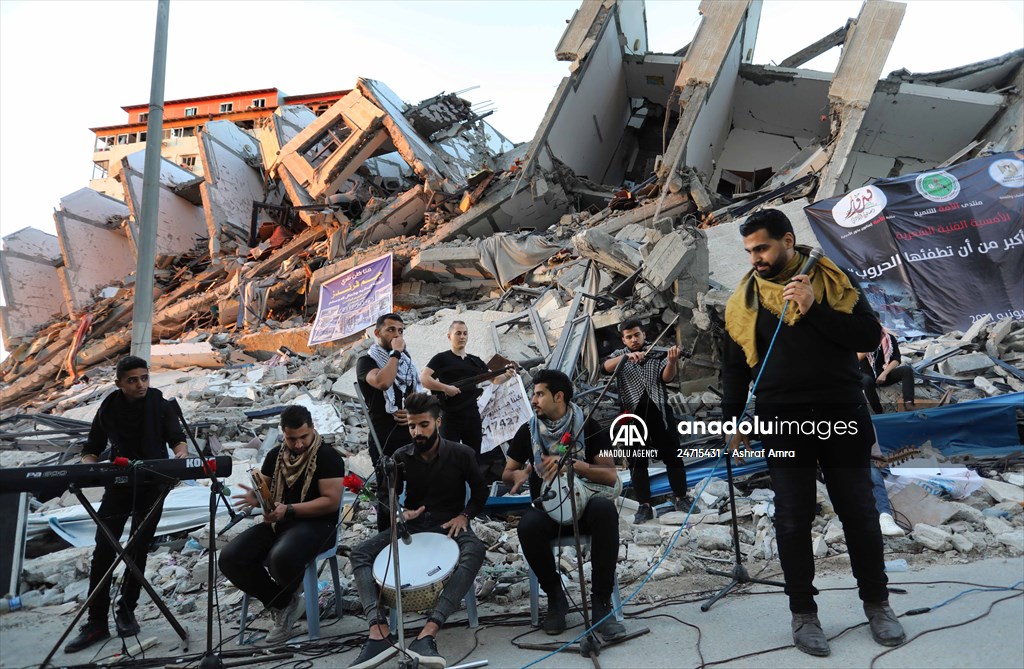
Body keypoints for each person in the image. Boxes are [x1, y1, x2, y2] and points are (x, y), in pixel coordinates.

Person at [721, 208, 905, 656]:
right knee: (792, 515)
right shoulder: (742, 302)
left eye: (762, 247)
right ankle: (803, 614)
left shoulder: (832, 281)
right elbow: (733, 370)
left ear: (787, 240)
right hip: (782, 421)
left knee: (858, 511)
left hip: (842, 413)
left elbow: (867, 336)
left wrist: (813, 307)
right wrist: (733, 423)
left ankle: (877, 604)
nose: (755, 259)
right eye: (749, 251)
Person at [348, 392, 486, 669]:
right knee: (359, 553)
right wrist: (399, 512)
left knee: (476, 550)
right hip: (412, 527)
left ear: (438, 421)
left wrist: (465, 515)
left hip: (449, 525)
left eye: (423, 424)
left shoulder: (462, 454)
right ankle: (378, 632)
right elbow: (387, 497)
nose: (417, 431)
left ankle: (427, 634)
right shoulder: (400, 457)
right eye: (412, 426)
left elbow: (480, 491)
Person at [65, 356, 189, 654]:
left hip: (152, 482)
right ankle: (96, 621)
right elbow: (92, 447)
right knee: (103, 549)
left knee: (139, 547)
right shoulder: (109, 407)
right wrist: (89, 469)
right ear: (118, 383)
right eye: (132, 380)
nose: (140, 384)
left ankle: (127, 610)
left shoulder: (160, 404)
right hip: (118, 483)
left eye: (144, 378)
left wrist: (181, 461)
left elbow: (177, 439)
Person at [502, 369, 626, 641]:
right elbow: (507, 472)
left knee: (605, 512)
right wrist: (520, 474)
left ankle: (601, 605)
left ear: (558, 396)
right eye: (533, 394)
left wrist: (572, 465)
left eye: (539, 394)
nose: (533, 400)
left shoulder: (589, 426)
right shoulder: (528, 431)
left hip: (586, 505)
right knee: (528, 526)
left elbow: (609, 474)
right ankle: (556, 597)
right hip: (548, 509)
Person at [219, 405, 345, 645]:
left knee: (281, 557)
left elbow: (331, 502)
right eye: (291, 439)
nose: (298, 444)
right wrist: (257, 498)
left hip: (318, 525)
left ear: (313, 430)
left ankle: (284, 603)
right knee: (231, 557)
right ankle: (283, 604)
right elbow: (265, 489)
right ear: (283, 434)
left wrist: (289, 509)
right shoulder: (276, 455)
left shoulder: (328, 456)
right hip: (280, 523)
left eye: (303, 437)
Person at [602, 318, 691, 523]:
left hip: (659, 412)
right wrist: (626, 357)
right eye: (629, 337)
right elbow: (604, 367)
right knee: (637, 462)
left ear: (643, 334)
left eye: (637, 335)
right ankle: (644, 505)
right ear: (624, 340)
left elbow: (666, 378)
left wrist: (672, 361)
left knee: (673, 456)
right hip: (632, 417)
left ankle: (681, 497)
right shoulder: (620, 356)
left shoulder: (656, 353)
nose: (634, 340)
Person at [420, 320, 517, 476]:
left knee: (473, 458)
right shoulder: (441, 359)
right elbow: (424, 379)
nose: (462, 336)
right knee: (447, 458)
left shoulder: (475, 361)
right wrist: (446, 388)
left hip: (472, 416)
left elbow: (495, 380)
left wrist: (507, 375)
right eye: (458, 333)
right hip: (449, 416)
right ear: (449, 336)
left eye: (465, 333)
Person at [356, 313, 423, 530]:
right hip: (384, 437)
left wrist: (412, 412)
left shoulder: (406, 362)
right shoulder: (367, 361)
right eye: (391, 330)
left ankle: (416, 533)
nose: (397, 335)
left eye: (400, 331)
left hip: (411, 436)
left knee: (417, 487)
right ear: (377, 333)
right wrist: (395, 353)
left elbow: (416, 395)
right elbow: (383, 382)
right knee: (388, 493)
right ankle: (387, 540)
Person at [859, 327, 916, 413]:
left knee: (906, 370)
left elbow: (896, 359)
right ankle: (879, 411)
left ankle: (908, 403)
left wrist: (884, 373)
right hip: (867, 374)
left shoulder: (889, 338)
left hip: (884, 373)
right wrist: (870, 345)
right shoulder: (859, 339)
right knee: (866, 381)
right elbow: (856, 358)